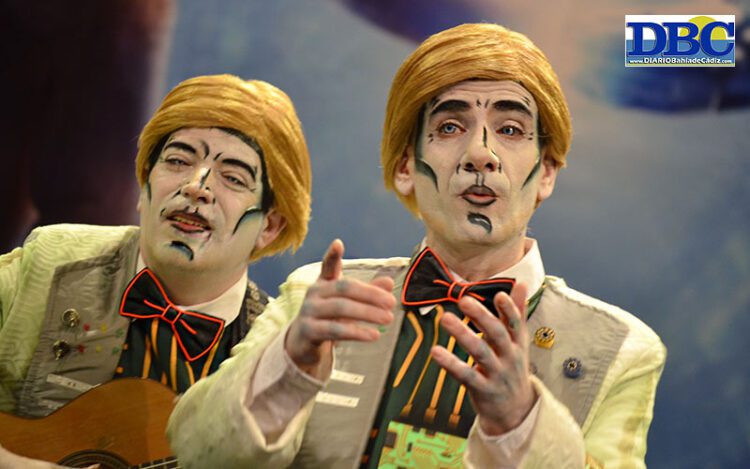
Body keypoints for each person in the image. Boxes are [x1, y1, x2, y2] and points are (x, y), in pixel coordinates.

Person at [168, 24, 666, 468]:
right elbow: (194, 451)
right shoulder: (316, 296)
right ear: (406, 166)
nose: (481, 154)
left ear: (547, 172)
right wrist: (288, 367)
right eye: (449, 127)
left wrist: (523, 423)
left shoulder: (622, 350)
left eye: (511, 130)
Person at [0, 74, 312, 466]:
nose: (196, 187)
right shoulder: (49, 263)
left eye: (233, 178)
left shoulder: (277, 355)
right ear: (145, 181)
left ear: (270, 225)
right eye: (178, 161)